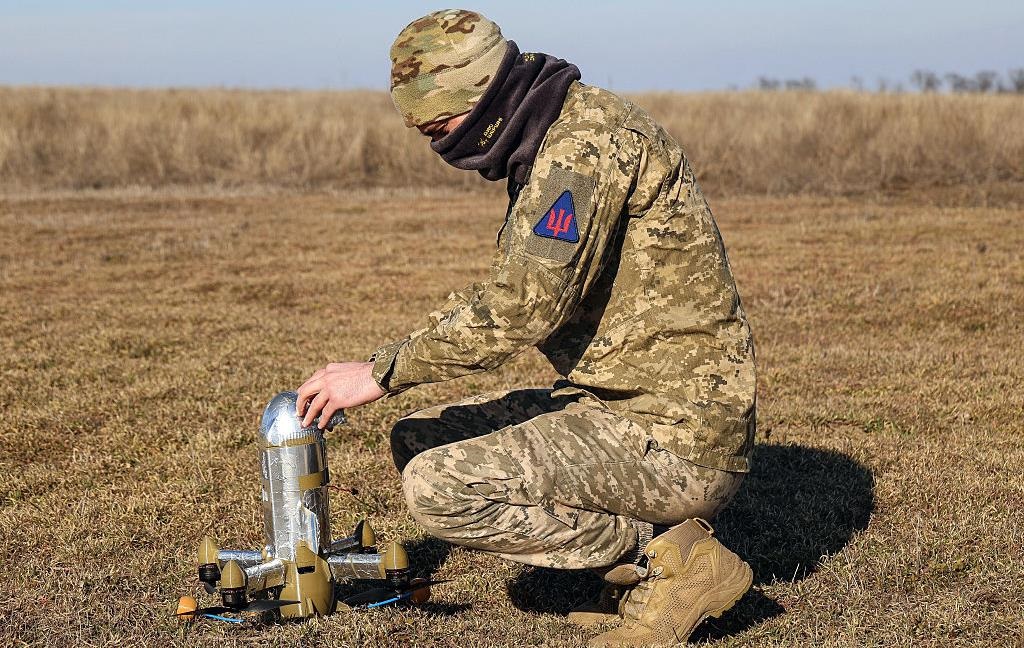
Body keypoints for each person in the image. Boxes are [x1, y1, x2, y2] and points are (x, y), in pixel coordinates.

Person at [296, 9, 756, 646]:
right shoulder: (550, 134)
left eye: (441, 128)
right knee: (421, 439)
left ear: (481, 97)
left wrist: (381, 373)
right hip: (614, 403)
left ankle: (672, 561)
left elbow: (522, 307)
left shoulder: (582, 149)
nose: (441, 148)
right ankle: (641, 558)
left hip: (676, 434)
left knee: (438, 487)